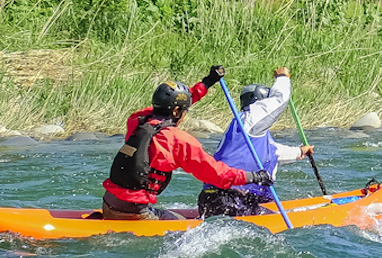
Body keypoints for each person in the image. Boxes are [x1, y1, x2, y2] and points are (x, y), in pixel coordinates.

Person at [99, 66, 270, 219]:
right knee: (184, 227)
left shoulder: (137, 121)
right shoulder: (178, 141)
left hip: (108, 203)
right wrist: (252, 177)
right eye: (184, 110)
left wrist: (206, 84)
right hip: (134, 213)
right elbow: (216, 175)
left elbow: (165, 108)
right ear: (176, 111)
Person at [201, 67, 314, 217]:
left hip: (214, 199)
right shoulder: (251, 118)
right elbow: (280, 99)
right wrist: (282, 78)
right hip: (234, 200)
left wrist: (300, 151)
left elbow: (273, 153)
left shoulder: (248, 132)